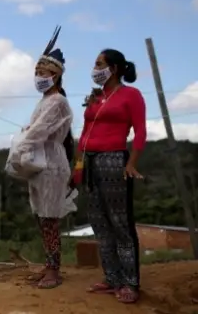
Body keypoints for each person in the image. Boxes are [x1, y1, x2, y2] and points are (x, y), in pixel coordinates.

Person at [75, 48, 146, 304]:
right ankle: (112, 278)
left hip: (114, 161)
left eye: (99, 64)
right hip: (90, 163)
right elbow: (84, 133)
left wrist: (132, 163)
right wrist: (78, 166)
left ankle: (131, 282)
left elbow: (140, 132)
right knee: (99, 224)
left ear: (114, 69)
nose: (95, 69)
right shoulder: (95, 97)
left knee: (120, 224)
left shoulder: (131, 95)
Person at [17, 26, 74, 289]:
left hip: (51, 163)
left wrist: (20, 147)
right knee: (42, 217)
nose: (38, 76)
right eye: (37, 72)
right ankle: (50, 264)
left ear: (56, 75)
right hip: (41, 163)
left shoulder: (57, 102)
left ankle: (54, 270)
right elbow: (34, 130)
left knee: (50, 218)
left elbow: (39, 131)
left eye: (43, 72)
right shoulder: (44, 101)